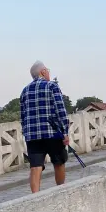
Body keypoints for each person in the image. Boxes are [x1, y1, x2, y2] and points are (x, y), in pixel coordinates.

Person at [20, 61, 70, 193]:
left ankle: (35, 197)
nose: (48, 72)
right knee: (58, 162)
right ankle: (60, 191)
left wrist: (26, 134)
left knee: (35, 166)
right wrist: (65, 132)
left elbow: (23, 116)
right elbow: (60, 110)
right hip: (52, 133)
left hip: (33, 136)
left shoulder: (25, 91)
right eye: (47, 70)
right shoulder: (52, 86)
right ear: (42, 72)